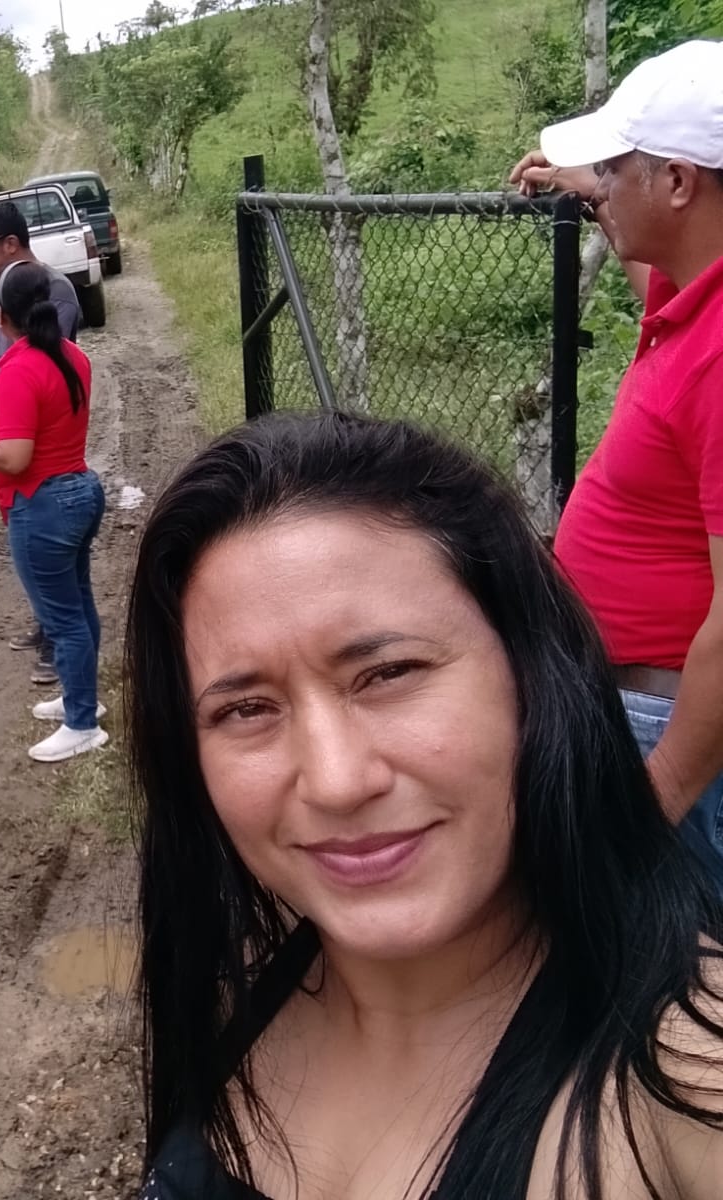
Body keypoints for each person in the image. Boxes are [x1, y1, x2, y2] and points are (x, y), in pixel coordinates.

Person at [129, 412, 723, 1200]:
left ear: (532, 675)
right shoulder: (236, 980)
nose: (336, 781)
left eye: (389, 673)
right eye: (246, 709)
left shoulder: (688, 1076)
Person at [508, 39, 723, 880]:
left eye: (614, 167)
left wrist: (658, 797)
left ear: (678, 183)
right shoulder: (692, 296)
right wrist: (586, 183)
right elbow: (645, 261)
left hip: (678, 736)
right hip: (633, 701)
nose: (600, 186)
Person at [0, 266, 106, 763]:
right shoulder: (72, 355)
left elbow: (16, 458)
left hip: (43, 505)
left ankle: (81, 723)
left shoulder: (20, 370)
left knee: (62, 620)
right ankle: (82, 697)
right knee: (78, 605)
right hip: (80, 491)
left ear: (0, 316)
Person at [0, 202, 84, 686]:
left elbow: (42, 361)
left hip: (40, 453)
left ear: (11, 244)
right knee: (30, 546)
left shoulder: (54, 290)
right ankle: (48, 624)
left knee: (49, 548)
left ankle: (60, 649)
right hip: (4, 431)